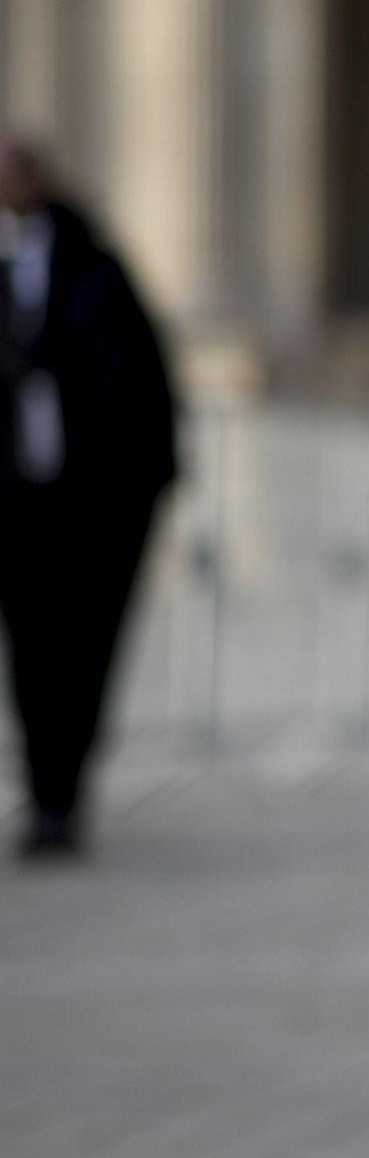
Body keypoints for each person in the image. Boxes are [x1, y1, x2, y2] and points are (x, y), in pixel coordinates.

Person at [0, 138, 176, 857]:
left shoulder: (96, 269)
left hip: (97, 502)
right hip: (14, 500)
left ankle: (65, 793)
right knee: (31, 651)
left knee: (86, 648)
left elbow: (145, 382)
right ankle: (43, 794)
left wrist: (152, 481)